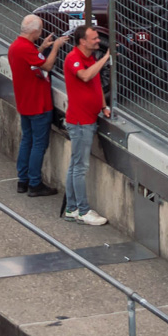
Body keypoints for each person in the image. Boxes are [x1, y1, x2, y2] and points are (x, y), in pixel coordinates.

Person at [60, 22, 111, 225]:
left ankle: (72, 208)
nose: (98, 41)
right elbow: (86, 76)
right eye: (94, 38)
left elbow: (95, 84)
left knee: (75, 166)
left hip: (86, 120)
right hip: (80, 122)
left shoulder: (89, 57)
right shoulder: (73, 58)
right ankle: (82, 210)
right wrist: (106, 59)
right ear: (82, 41)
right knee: (79, 167)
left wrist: (103, 106)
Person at [8, 15, 63, 197]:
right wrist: (55, 47)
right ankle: (34, 183)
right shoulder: (26, 48)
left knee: (27, 140)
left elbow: (32, 60)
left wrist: (42, 47)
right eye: (40, 30)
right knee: (39, 144)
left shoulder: (17, 46)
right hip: (38, 104)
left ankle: (23, 179)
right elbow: (46, 65)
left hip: (25, 103)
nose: (41, 33)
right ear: (35, 31)